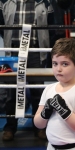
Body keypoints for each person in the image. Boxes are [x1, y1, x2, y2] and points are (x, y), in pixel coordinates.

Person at [0, 0, 54, 141]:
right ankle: (10, 127)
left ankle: (40, 127)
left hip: (35, 50)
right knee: (12, 91)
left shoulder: (44, 2)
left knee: (37, 91)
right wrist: (10, 41)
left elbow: (52, 26)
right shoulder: (6, 2)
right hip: (14, 51)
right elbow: (1, 25)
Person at [34, 38, 75, 150]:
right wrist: (45, 113)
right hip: (52, 146)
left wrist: (64, 111)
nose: (59, 69)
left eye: (65, 64)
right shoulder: (48, 89)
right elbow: (39, 124)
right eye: (55, 64)